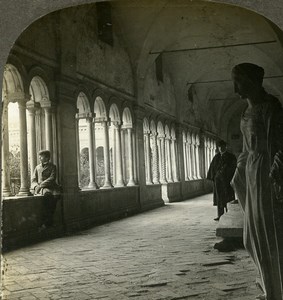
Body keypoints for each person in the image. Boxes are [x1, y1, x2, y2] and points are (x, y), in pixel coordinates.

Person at [231, 62, 283, 300]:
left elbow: (279, 146)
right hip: (251, 173)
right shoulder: (245, 112)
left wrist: (276, 173)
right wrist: (239, 170)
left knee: (270, 229)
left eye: (239, 81)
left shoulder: (270, 107)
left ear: (252, 81)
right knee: (252, 233)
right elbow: (244, 149)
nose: (235, 88)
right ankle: (267, 280)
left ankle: (278, 289)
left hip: (265, 174)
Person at [207, 140, 237, 221]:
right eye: (219, 147)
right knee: (219, 199)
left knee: (228, 198)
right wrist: (214, 177)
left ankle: (229, 214)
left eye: (222, 147)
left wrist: (226, 175)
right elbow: (212, 168)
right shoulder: (216, 157)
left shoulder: (231, 157)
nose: (221, 148)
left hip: (227, 182)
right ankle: (220, 215)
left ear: (225, 147)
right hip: (218, 182)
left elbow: (234, 168)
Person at [31, 150, 60, 229]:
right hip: (42, 189)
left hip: (51, 187)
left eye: (41, 156)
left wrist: (41, 185)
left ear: (47, 158)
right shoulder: (37, 167)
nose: (39, 158)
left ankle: (48, 222)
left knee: (54, 199)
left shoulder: (53, 166)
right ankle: (48, 223)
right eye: (39, 156)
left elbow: (52, 178)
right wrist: (36, 186)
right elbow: (33, 179)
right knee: (47, 199)